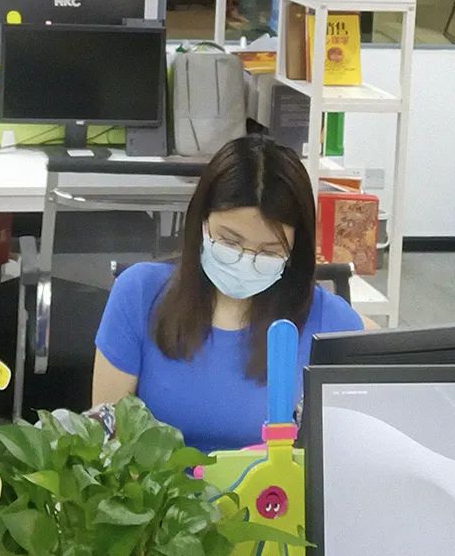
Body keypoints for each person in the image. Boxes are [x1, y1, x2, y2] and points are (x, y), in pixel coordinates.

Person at [92, 135, 363, 453]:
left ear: (294, 251)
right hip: (154, 486)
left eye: (269, 252)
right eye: (229, 242)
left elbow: (343, 454)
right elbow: (107, 446)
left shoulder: (331, 323)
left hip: (271, 486)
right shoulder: (139, 294)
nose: (245, 259)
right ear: (201, 221)